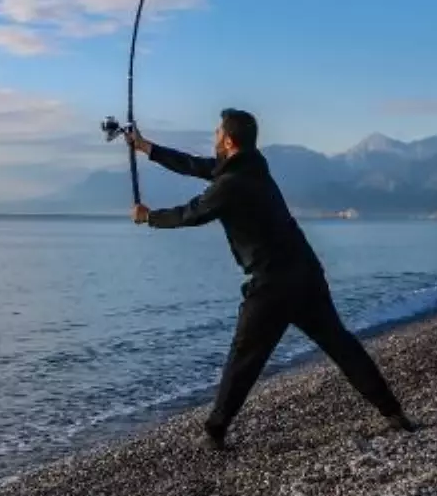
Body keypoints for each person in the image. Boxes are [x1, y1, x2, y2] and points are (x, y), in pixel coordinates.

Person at [126, 108, 415, 449]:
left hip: (273, 282)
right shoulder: (252, 165)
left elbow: (193, 213)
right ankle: (394, 414)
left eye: (218, 133)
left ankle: (214, 433)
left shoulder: (231, 184)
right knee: (340, 343)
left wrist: (150, 217)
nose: (214, 137)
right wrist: (147, 148)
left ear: (229, 141)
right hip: (305, 271)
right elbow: (194, 165)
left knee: (245, 356)